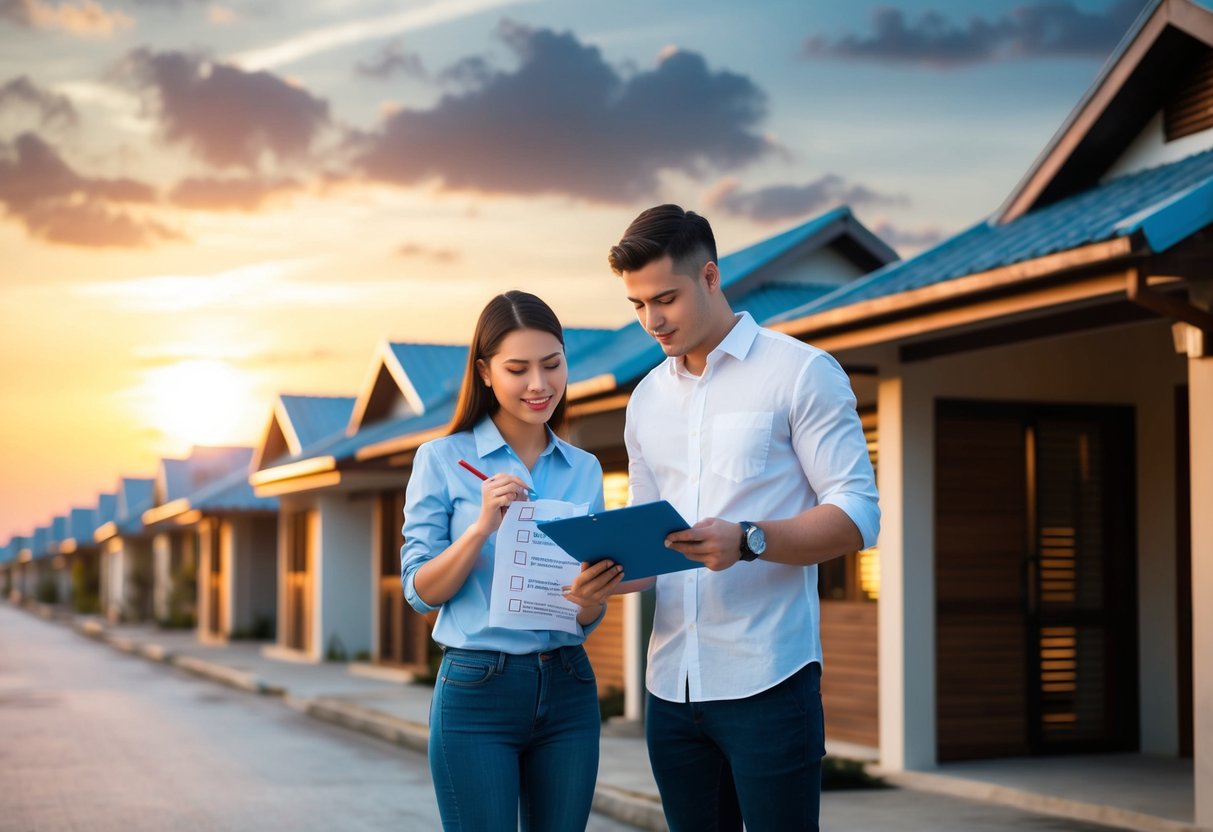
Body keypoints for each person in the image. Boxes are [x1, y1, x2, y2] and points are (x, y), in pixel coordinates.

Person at [605, 204, 880, 831]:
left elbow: (858, 514)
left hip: (769, 682)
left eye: (665, 299)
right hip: (670, 689)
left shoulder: (801, 372)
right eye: (637, 305)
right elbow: (649, 544)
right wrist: (602, 575)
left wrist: (751, 540)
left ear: (709, 277)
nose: (652, 320)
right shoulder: (645, 399)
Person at [400, 290, 624, 832]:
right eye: (518, 369)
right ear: (484, 372)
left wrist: (591, 599)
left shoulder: (584, 469)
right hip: (478, 689)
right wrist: (480, 528)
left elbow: (583, 614)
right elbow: (419, 590)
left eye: (552, 365)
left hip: (569, 686)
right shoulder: (442, 460)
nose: (539, 385)